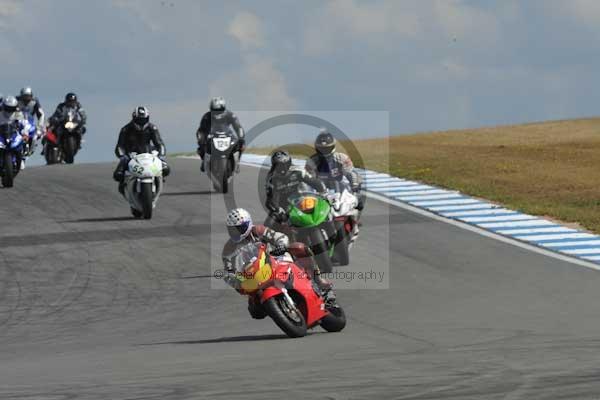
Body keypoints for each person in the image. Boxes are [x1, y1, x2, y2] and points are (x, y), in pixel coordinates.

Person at [221, 208, 332, 319]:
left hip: (276, 259)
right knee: (255, 311)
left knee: (300, 248)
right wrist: (234, 280)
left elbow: (280, 237)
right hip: (254, 275)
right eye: (232, 230)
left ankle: (319, 281)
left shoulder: (258, 230)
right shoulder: (228, 250)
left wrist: (281, 245)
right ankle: (281, 308)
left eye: (239, 228)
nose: (236, 232)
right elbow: (228, 271)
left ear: (248, 223)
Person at [112, 106, 170, 193]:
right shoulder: (125, 129)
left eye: (144, 120)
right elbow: (120, 146)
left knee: (165, 169)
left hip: (148, 154)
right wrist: (123, 156)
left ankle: (158, 181)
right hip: (131, 155)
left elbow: (159, 143)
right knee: (118, 174)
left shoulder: (152, 128)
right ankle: (124, 185)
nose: (141, 122)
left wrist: (161, 157)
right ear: (134, 118)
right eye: (139, 120)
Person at [305, 129, 364, 211]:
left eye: (326, 149)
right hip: (319, 190)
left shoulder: (341, 158)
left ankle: (353, 220)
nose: (324, 152)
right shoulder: (312, 161)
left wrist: (355, 185)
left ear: (333, 147)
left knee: (355, 201)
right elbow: (308, 179)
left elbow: (350, 173)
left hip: (339, 186)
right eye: (321, 149)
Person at [265, 150, 328, 225]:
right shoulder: (272, 178)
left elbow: (313, 181)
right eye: (278, 165)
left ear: (289, 162)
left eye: (284, 165)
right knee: (270, 221)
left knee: (326, 212)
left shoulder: (298, 171)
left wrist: (323, 191)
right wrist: (277, 209)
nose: (282, 168)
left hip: (302, 199)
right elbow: (271, 198)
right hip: (283, 204)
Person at [195, 97, 245, 172]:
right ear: (211, 109)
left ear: (224, 108)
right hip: (213, 136)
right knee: (201, 146)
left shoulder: (230, 115)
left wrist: (241, 137)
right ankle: (204, 161)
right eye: (215, 110)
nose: (217, 112)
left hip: (227, 135)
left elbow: (238, 126)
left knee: (241, 144)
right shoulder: (207, 116)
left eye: (219, 110)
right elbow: (202, 129)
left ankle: (237, 162)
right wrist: (201, 138)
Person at [0, 96, 31, 169]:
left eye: (12, 108)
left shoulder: (18, 114)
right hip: (1, 135)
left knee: (23, 141)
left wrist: (25, 133)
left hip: (14, 134)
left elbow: (25, 124)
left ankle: (22, 157)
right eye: (8, 108)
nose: (9, 110)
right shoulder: (0, 114)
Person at [16, 87, 45, 156]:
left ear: (31, 96)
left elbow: (41, 114)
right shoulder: (16, 101)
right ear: (21, 96)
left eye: (28, 96)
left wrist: (39, 127)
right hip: (18, 123)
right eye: (24, 96)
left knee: (36, 135)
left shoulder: (34, 102)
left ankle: (31, 149)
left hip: (30, 123)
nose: (26, 99)